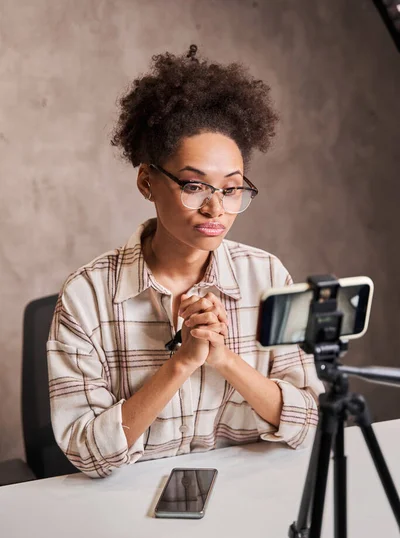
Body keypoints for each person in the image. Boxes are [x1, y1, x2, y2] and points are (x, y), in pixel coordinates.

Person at [47, 46, 322, 479]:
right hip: (125, 511)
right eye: (194, 185)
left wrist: (224, 359)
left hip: (251, 499)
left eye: (232, 189)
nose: (216, 209)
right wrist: (180, 363)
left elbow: (307, 421)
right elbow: (87, 453)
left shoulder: (267, 277)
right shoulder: (88, 295)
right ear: (146, 182)